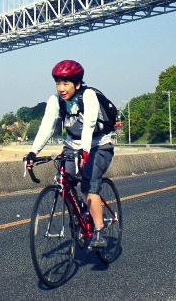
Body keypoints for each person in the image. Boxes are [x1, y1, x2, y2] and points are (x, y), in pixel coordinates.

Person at [25, 60, 114, 249]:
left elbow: (90, 123)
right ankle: (81, 213)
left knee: (89, 185)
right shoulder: (55, 100)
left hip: (98, 145)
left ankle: (99, 230)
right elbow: (47, 126)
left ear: (77, 83)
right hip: (71, 145)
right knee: (63, 180)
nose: (61, 88)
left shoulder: (88, 95)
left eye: (65, 83)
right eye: (58, 83)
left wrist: (85, 150)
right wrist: (33, 152)